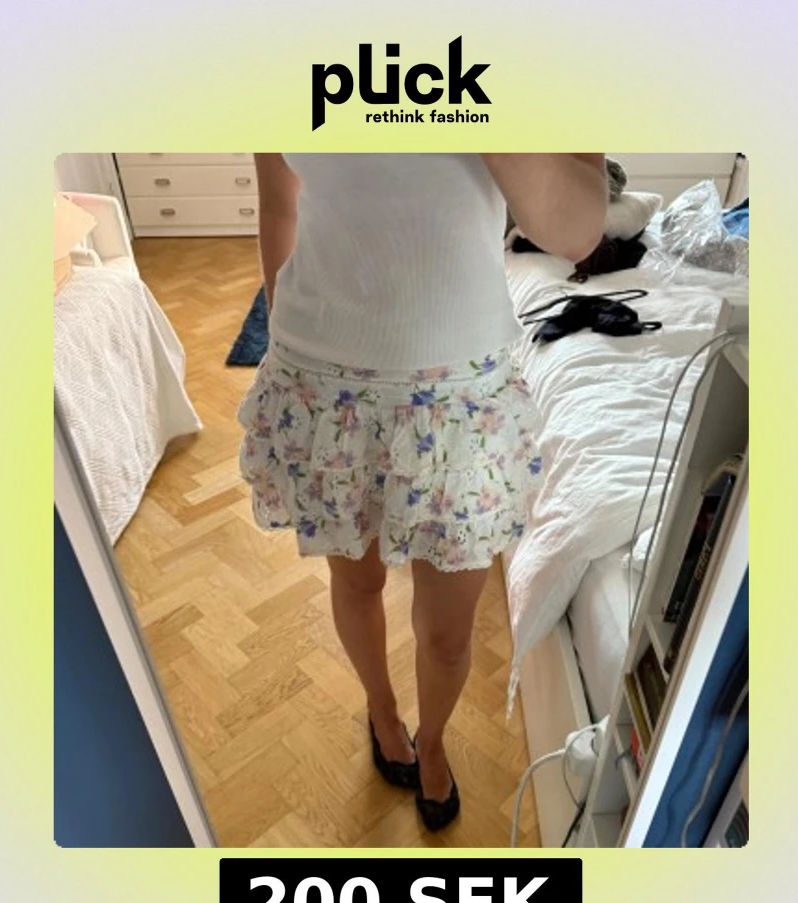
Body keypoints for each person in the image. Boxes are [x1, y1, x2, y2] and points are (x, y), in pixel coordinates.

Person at [239, 153, 607, 831]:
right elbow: (279, 202)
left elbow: (577, 230)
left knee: (446, 635)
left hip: (460, 402)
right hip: (326, 390)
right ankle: (381, 709)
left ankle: (433, 739)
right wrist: (279, 327)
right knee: (356, 584)